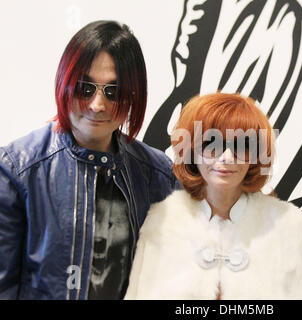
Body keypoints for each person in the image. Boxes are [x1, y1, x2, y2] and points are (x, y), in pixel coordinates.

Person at [0, 20, 178, 300]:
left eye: (113, 91)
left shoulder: (158, 175)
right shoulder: (17, 170)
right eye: (85, 88)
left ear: (134, 96)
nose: (97, 105)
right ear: (64, 83)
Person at [125, 92, 302, 299]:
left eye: (242, 146)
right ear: (191, 149)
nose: (226, 158)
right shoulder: (163, 221)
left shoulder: (288, 227)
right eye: (211, 144)